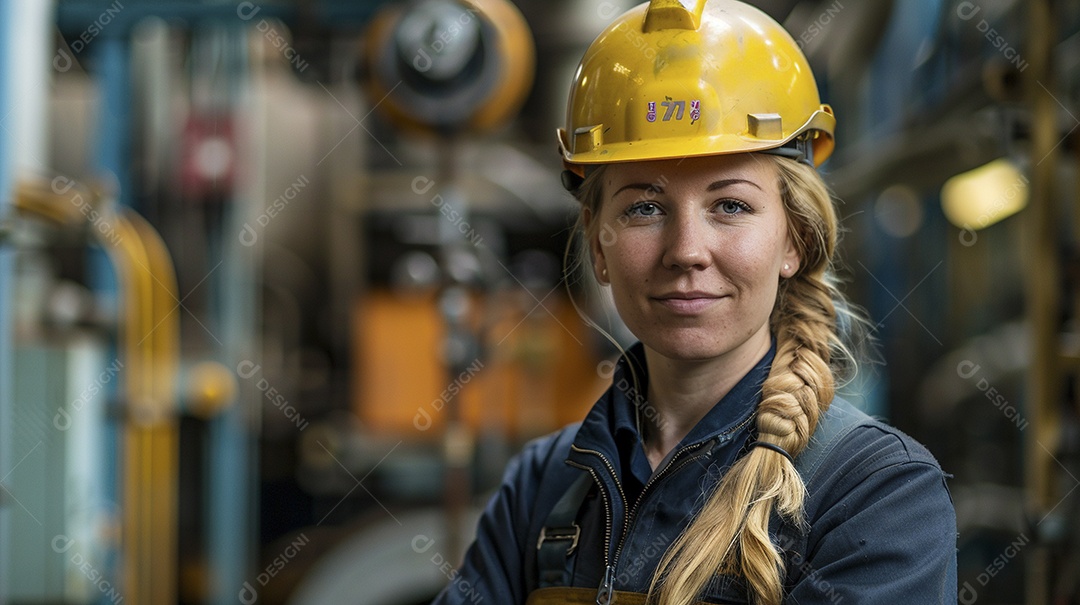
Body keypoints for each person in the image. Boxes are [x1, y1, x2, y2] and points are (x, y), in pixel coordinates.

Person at [431, 1, 957, 603]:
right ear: (598, 249)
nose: (686, 251)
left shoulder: (878, 496)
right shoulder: (543, 486)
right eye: (644, 207)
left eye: (730, 205)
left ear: (796, 239)